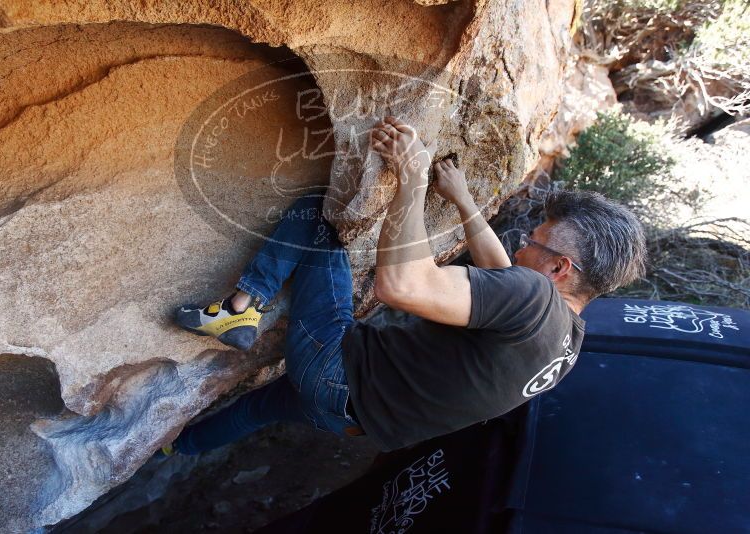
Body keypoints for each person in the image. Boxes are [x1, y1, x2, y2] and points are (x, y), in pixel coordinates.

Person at [160, 116, 646, 456]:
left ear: (560, 269)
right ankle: (174, 448)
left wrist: (411, 177)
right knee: (258, 408)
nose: (520, 247)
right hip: (350, 419)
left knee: (318, 219)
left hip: (338, 372)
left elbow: (400, 286)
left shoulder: (534, 295)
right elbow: (507, 278)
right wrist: (462, 201)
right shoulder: (567, 340)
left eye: (532, 242)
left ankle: (241, 306)